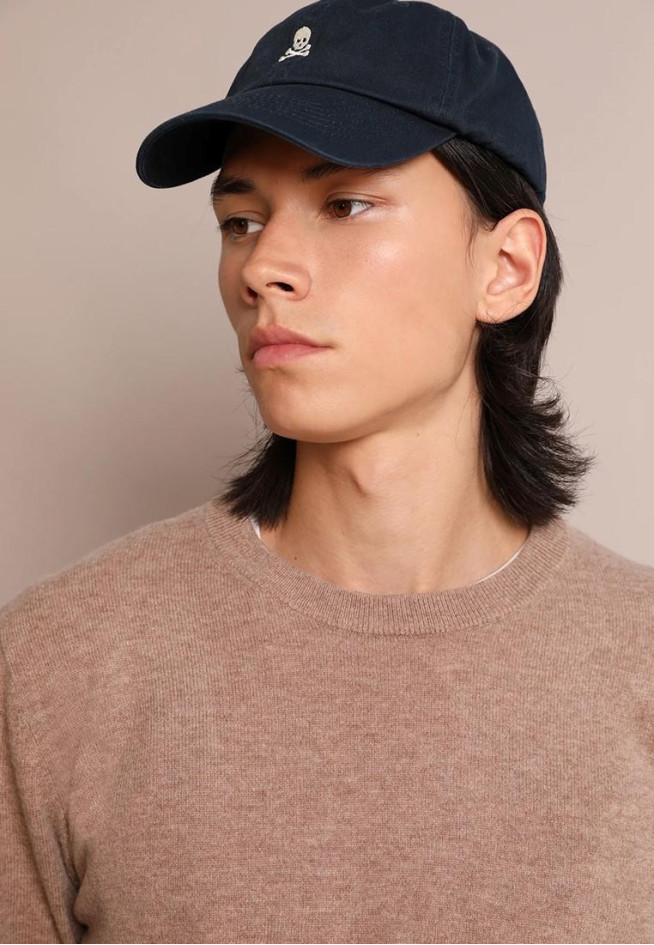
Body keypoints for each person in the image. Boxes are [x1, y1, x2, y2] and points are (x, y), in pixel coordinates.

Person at [1, 1, 652, 942]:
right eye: (239, 220)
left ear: (507, 266)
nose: (263, 265)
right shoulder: (57, 662)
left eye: (345, 204)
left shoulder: (637, 663)